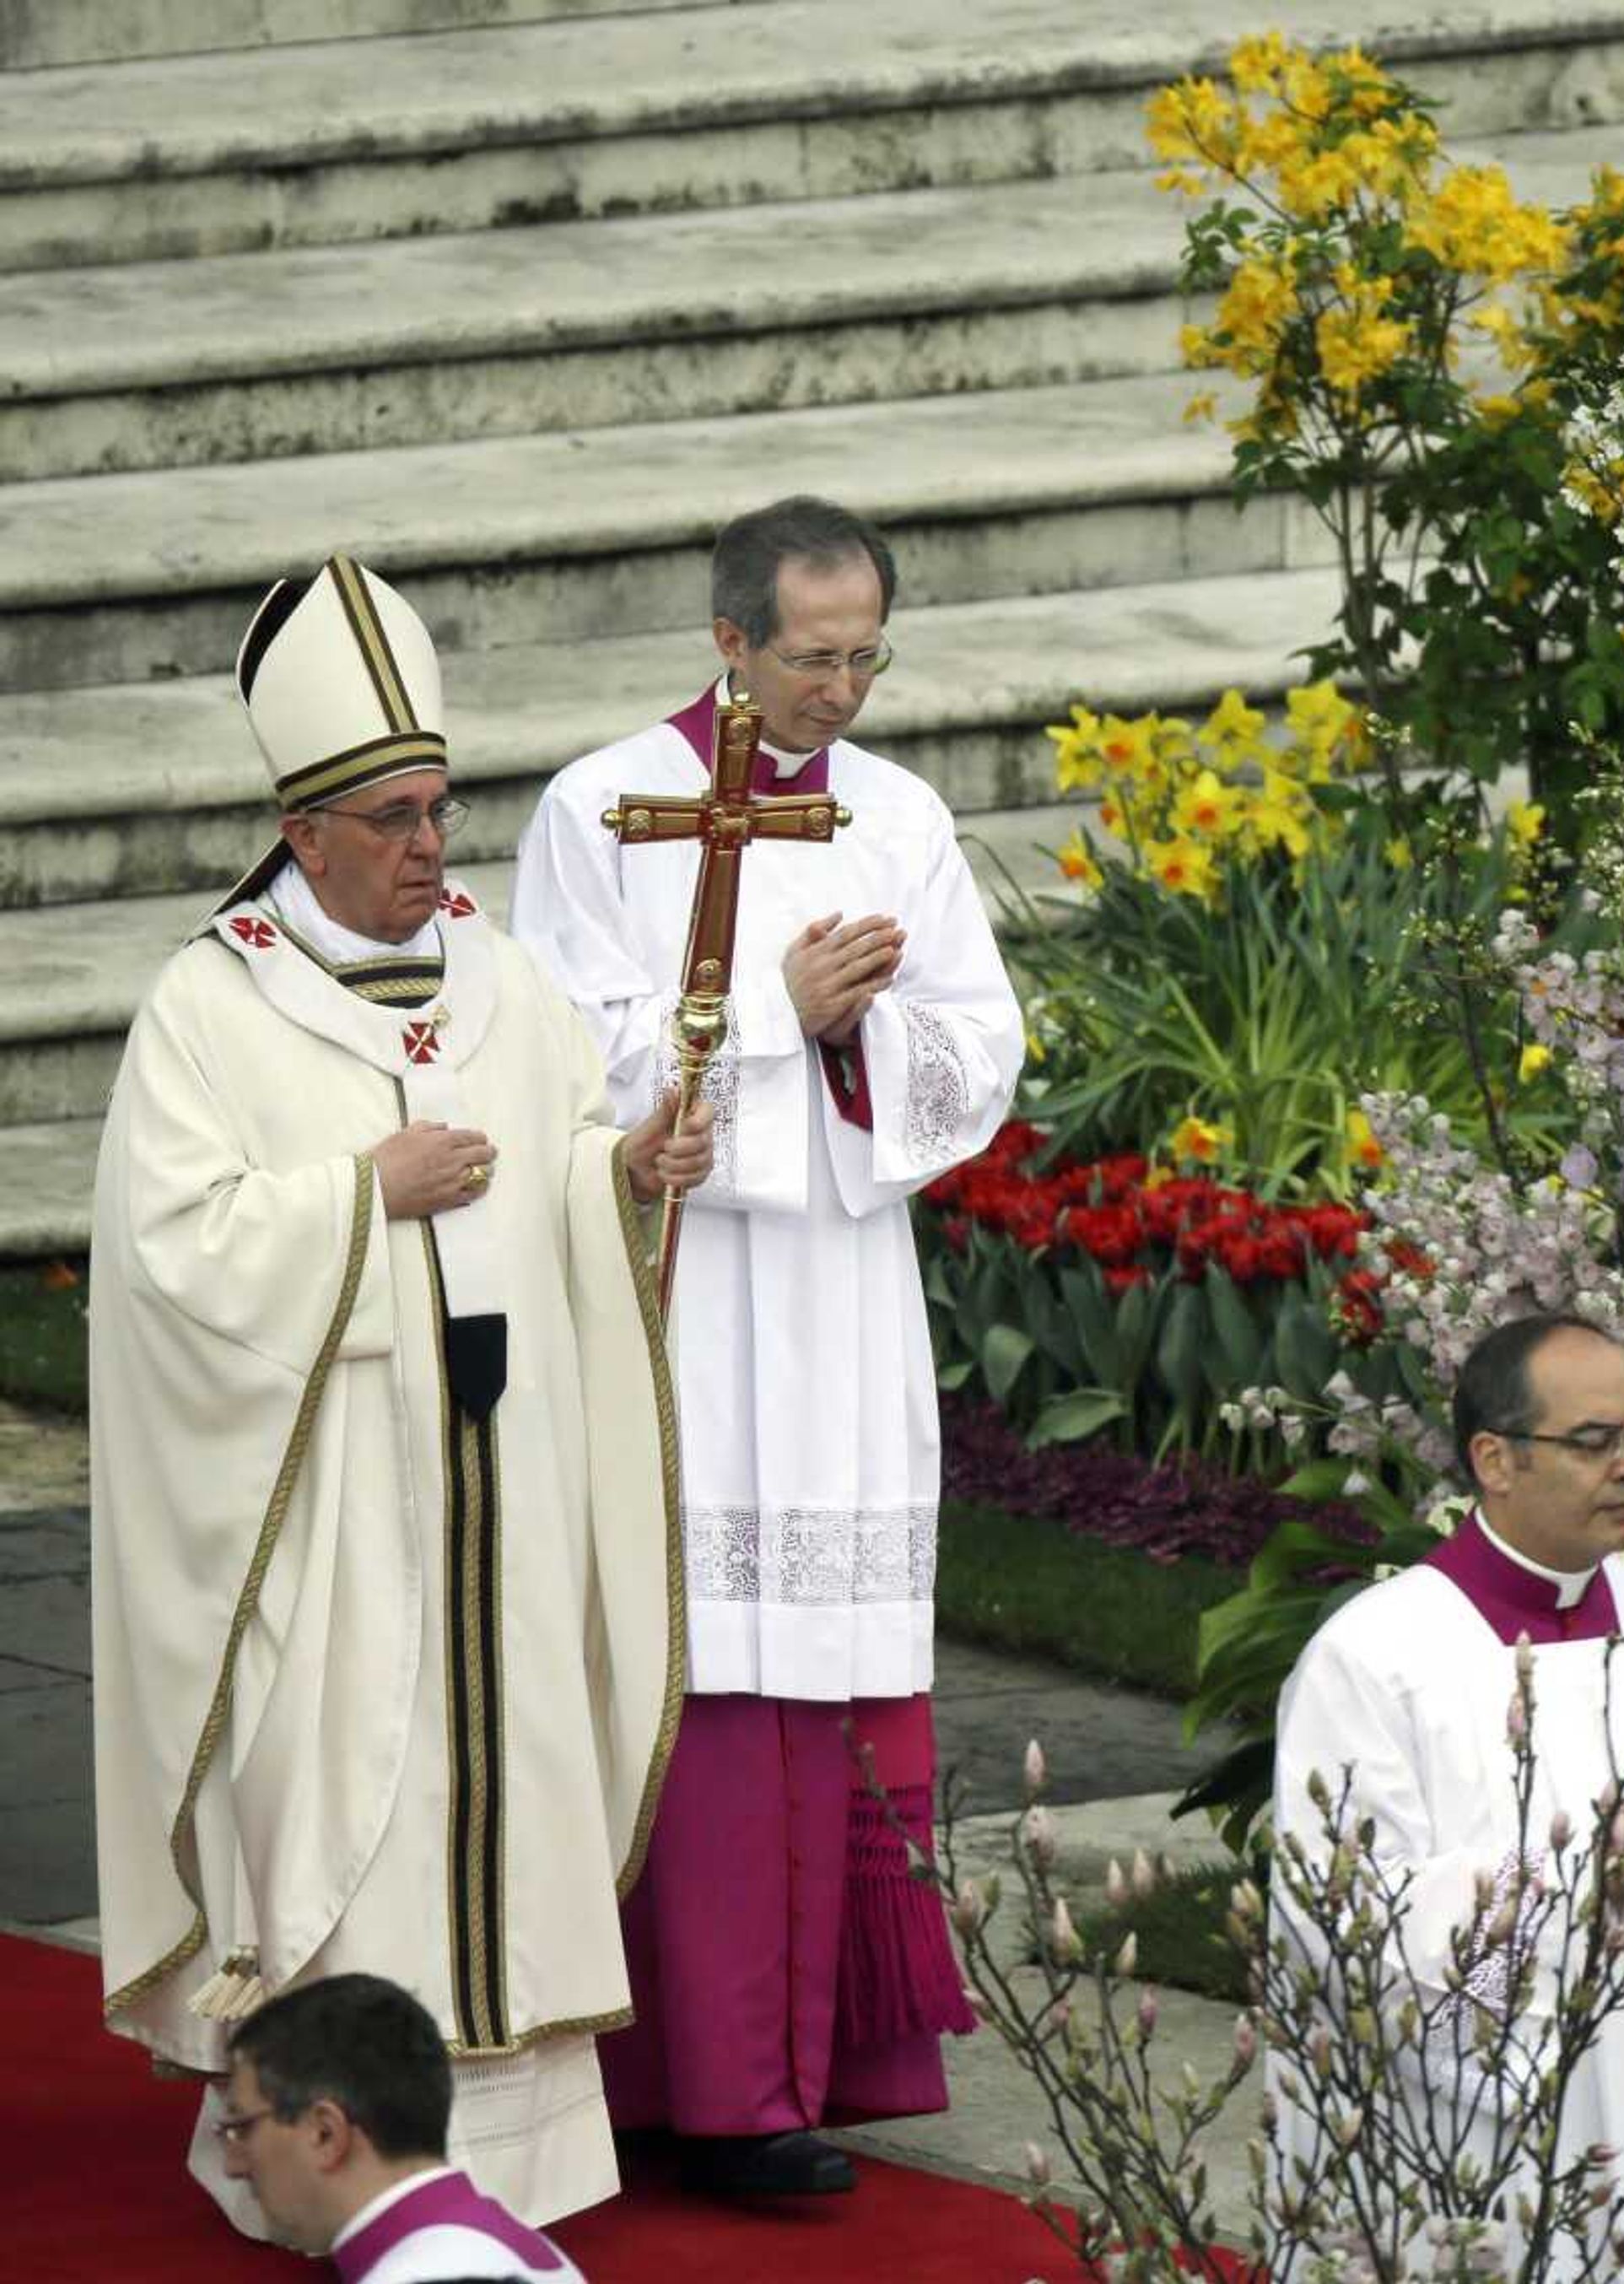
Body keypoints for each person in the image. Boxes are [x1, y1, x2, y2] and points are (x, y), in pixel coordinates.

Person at [90, 554, 703, 2234]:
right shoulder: (207, 1010)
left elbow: (564, 1161)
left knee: (506, 1801)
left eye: (443, 806)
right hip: (338, 1513)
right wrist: (370, 1193)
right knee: (343, 1822)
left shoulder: (504, 981)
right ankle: (322, 2168)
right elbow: (174, 1258)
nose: (436, 844)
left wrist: (627, 1171)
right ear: (306, 833)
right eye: (396, 817)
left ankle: (517, 2149)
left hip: (500, 1481)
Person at [509, 495, 1023, 2195]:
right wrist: (773, 1028)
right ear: (729, 640)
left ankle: (836, 2061)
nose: (847, 690)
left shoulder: (900, 815)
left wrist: (867, 1044)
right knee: (707, 1672)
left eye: (870, 653)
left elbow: (981, 1043)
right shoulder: (600, 810)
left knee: (843, 1679)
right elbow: (561, 1056)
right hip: (685, 1296)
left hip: (844, 1291)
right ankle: (705, 2085)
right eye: (816, 657)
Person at [1271, 1314, 1624, 2280]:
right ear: (1494, 1458)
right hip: (1480, 2139)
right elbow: (1345, 1924)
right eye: (1593, 1440)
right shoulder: (1376, 1658)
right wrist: (1586, 1875)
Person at [219, 1973, 583, 2281]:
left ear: (325, 2133)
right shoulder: (505, 2242)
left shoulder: (420, 2272)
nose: (231, 2166)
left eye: (242, 2127)